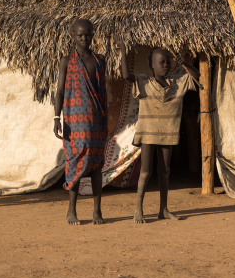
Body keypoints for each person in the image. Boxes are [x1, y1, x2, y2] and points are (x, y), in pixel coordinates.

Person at [117, 38, 199, 223]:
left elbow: (197, 77)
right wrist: (123, 51)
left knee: (165, 171)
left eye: (168, 62)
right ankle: (138, 209)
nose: (165, 65)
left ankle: (164, 209)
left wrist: (184, 63)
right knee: (146, 171)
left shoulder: (177, 82)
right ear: (151, 65)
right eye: (161, 62)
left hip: (168, 133)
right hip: (148, 132)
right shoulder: (144, 81)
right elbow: (126, 76)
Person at [54, 19, 107, 225]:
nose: (84, 39)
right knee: (74, 162)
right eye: (79, 35)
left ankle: (97, 211)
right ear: (72, 36)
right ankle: (71, 211)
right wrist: (57, 118)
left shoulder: (100, 60)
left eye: (87, 34)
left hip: (96, 120)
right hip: (74, 122)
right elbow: (59, 91)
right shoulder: (66, 61)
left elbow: (102, 93)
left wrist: (105, 120)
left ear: (93, 34)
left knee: (95, 166)